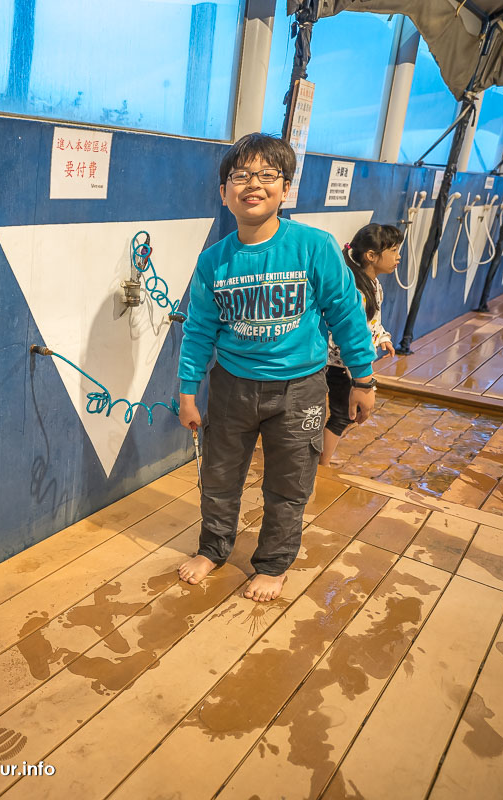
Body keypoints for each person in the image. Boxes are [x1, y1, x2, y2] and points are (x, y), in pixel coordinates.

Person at [175, 133, 378, 603]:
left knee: (288, 485)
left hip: (299, 389)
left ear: (285, 188)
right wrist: (188, 392)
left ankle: (273, 564)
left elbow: (346, 314)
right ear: (224, 191)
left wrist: (362, 379)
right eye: (240, 176)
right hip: (231, 388)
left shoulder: (314, 246)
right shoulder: (214, 261)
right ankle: (213, 548)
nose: (253, 185)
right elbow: (199, 330)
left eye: (267, 175)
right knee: (220, 478)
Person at [321, 224, 402, 466]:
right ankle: (321, 464)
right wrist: (357, 369)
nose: (398, 257)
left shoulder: (374, 285)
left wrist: (383, 337)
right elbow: (340, 331)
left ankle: (320, 458)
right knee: (342, 415)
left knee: (342, 414)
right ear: (371, 256)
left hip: (352, 364)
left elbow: (373, 320)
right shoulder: (353, 287)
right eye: (394, 251)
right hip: (338, 364)